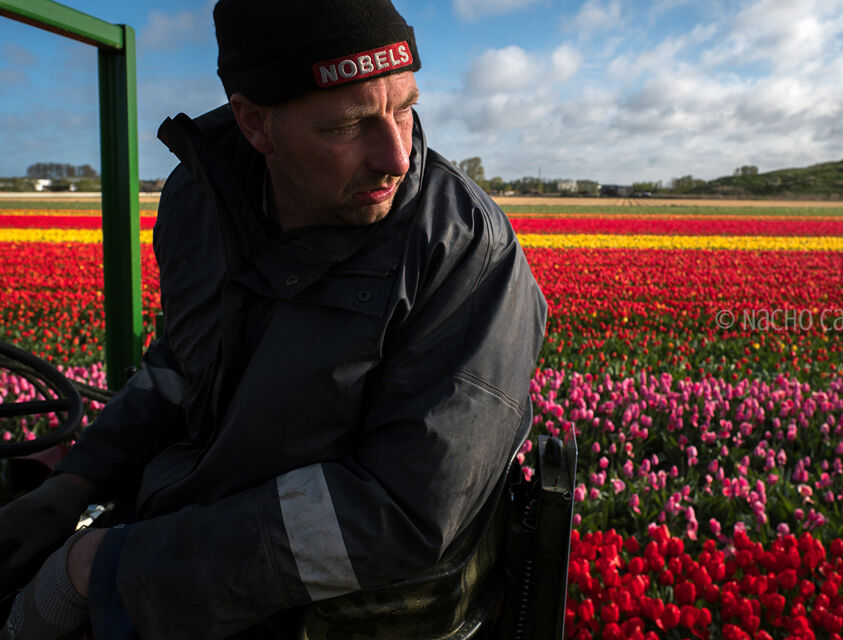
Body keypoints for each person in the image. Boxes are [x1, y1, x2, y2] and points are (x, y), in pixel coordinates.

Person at [0, 0, 547, 637]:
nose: (396, 156)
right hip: (189, 556)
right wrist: (71, 485)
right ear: (256, 125)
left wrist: (111, 567)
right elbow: (181, 366)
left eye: (405, 107)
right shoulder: (197, 202)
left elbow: (405, 512)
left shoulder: (464, 252)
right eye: (349, 125)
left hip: (360, 613)